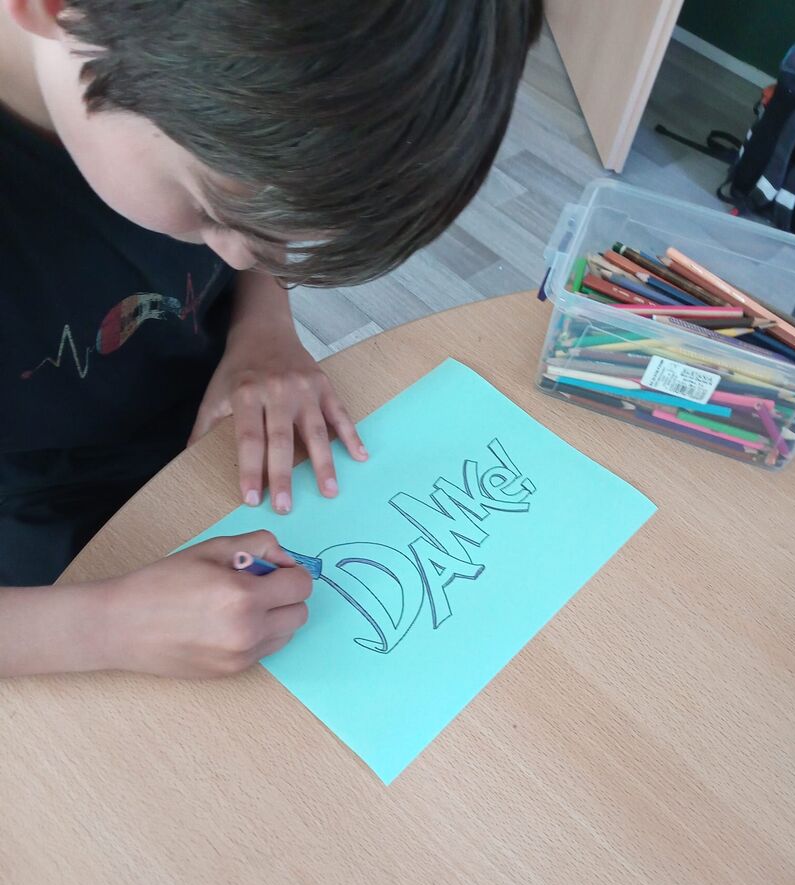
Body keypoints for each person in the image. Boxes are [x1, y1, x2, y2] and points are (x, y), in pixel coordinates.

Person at [0, 0, 543, 678]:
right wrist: (105, 628)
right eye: (212, 211)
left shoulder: (176, 84)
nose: (241, 255)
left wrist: (264, 325)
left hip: (205, 424)